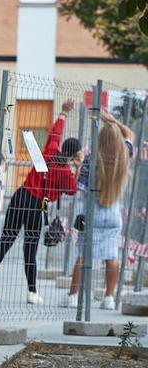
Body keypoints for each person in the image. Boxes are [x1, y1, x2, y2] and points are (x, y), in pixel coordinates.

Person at [0, 100, 80, 304]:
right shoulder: (65, 172)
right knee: (30, 247)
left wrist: (63, 113)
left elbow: (55, 134)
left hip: (21, 195)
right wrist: (78, 167)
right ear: (74, 155)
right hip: (38, 205)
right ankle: (32, 291)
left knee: (7, 237)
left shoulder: (49, 152)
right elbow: (72, 190)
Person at [67, 112, 134, 309]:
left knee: (83, 254)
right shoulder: (124, 154)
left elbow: (80, 187)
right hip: (113, 213)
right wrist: (113, 121)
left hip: (93, 212)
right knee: (111, 257)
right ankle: (109, 298)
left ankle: (73, 295)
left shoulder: (90, 159)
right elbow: (130, 134)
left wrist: (79, 167)